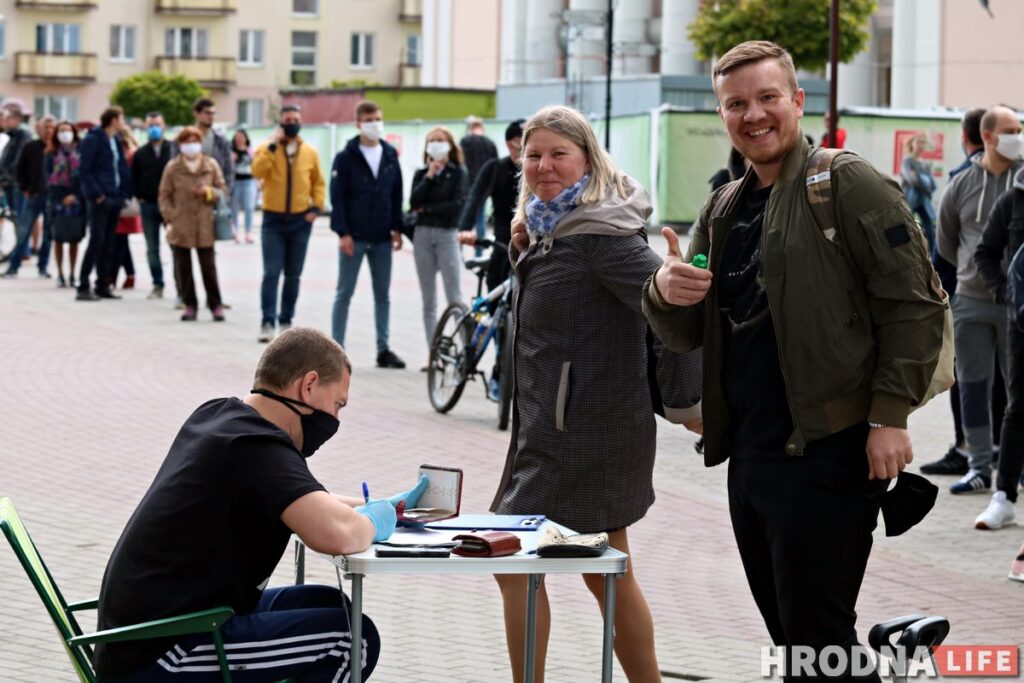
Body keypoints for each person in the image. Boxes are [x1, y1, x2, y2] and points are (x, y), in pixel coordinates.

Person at [643, 41, 945, 681]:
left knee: (813, 639)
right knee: (797, 638)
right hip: (751, 453)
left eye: (767, 98)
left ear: (797, 102)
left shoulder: (847, 183)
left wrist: (890, 416)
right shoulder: (723, 207)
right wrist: (665, 293)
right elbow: (690, 331)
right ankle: (896, 658)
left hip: (828, 447)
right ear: (723, 114)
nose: (754, 115)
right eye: (736, 104)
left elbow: (914, 304)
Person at [93, 327, 428, 681]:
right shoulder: (257, 448)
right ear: (309, 385)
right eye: (337, 404)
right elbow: (337, 535)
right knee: (350, 640)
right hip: (161, 656)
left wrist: (372, 504)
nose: (335, 419)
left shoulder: (221, 418)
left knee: (335, 608)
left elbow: (303, 498)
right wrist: (372, 521)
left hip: (146, 636)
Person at [490, 105, 669, 683]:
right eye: (533, 154)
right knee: (604, 571)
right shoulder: (551, 230)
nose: (543, 165)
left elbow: (670, 308)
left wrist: (689, 405)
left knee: (526, 564)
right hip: (555, 432)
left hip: (589, 435)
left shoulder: (601, 236)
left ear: (588, 160)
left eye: (557, 154)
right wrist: (525, 254)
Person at [937, 106, 1022, 495]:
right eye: (1010, 129)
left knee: (1017, 389)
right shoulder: (961, 185)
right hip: (971, 300)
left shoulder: (1021, 185)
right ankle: (977, 467)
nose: (1017, 136)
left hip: (1016, 306)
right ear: (987, 136)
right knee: (972, 385)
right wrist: (974, 272)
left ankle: (1015, 466)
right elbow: (947, 243)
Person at [921, 107, 987, 476]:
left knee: (969, 377)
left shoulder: (962, 179)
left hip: (970, 295)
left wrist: (939, 297)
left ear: (966, 137)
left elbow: (945, 249)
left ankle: (968, 449)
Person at [329, 100, 406, 369]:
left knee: (382, 294)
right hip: (355, 236)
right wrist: (343, 233)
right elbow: (336, 197)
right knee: (344, 292)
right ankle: (335, 349)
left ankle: (383, 349)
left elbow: (396, 193)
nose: (375, 123)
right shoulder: (346, 156)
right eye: (370, 119)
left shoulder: (389, 154)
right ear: (359, 123)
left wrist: (397, 228)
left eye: (378, 118)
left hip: (382, 235)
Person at [972, 158, 1024, 530]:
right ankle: (1004, 496)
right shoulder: (1013, 199)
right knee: (1017, 408)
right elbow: (984, 252)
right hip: (1021, 324)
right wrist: (1006, 292)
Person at [252, 105, 326, 343]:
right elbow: (258, 171)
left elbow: (318, 182)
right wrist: (273, 145)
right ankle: (267, 321)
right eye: (287, 120)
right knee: (271, 273)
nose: (292, 123)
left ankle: (286, 320)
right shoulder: (267, 148)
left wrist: (316, 208)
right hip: (273, 219)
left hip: (300, 220)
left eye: (295, 119)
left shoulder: (309, 151)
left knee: (293, 275)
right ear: (280, 123)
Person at [158, 127, 228, 322]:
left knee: (209, 267)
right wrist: (170, 216)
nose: (191, 145)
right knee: (183, 267)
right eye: (186, 141)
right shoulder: (173, 167)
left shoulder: (210, 164)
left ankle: (215, 304)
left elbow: (222, 190)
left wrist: (207, 191)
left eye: (194, 141)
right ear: (180, 144)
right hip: (181, 223)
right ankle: (190, 304)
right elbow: (164, 195)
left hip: (205, 223)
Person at [410, 126, 467, 362]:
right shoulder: (422, 173)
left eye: (440, 140)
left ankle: (467, 349)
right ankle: (434, 354)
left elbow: (457, 206)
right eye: (431, 141)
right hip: (422, 235)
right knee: (428, 300)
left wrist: (428, 209)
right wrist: (430, 176)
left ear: (450, 145)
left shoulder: (458, 173)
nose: (435, 144)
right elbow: (414, 201)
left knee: (455, 295)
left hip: (447, 235)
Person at [457, 118, 524, 295]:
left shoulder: (539, 169)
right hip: (503, 234)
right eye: (522, 141)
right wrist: (464, 228)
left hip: (530, 237)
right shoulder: (495, 168)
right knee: (496, 278)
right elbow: (475, 197)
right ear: (510, 145)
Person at [76, 106, 133, 301]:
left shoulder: (115, 141)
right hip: (100, 198)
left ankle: (103, 284)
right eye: (122, 118)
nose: (123, 122)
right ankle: (83, 285)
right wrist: (97, 194)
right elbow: (85, 170)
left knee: (109, 242)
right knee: (96, 241)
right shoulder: (93, 139)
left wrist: (124, 193)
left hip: (115, 196)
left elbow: (121, 168)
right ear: (113, 120)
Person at [2, 114, 55, 278]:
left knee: (48, 234)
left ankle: (43, 266)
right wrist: (25, 188)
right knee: (24, 231)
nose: (48, 130)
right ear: (39, 129)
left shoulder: (56, 149)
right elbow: (19, 169)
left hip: (52, 197)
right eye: (45, 127)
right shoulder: (31, 146)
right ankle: (14, 266)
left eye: (51, 127)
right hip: (34, 194)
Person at [132, 111, 173, 299]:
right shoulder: (140, 153)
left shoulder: (173, 150)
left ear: (164, 126)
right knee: (152, 247)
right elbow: (134, 178)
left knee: (176, 245)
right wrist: (139, 196)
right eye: (150, 125)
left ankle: (181, 286)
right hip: (148, 204)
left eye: (157, 124)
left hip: (170, 205)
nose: (154, 128)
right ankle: (158, 283)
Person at [45, 121, 85, 288]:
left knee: (74, 239)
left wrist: (75, 196)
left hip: (77, 200)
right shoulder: (50, 154)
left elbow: (84, 176)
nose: (65, 133)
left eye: (68, 130)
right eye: (61, 130)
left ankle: (72, 274)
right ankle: (60, 273)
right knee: (59, 239)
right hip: (57, 202)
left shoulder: (81, 152)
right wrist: (61, 199)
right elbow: (47, 178)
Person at [459, 115, 498, 256]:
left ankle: (458, 252)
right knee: (480, 219)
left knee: (462, 219)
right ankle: (479, 253)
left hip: (466, 186)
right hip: (484, 188)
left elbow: (459, 163)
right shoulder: (490, 143)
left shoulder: (465, 141)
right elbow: (495, 166)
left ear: (470, 128)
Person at [178, 97, 234, 195]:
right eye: (207, 113)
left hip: (214, 194)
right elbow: (175, 167)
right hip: (187, 194)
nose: (211, 116)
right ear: (196, 113)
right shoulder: (183, 138)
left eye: (213, 113)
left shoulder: (221, 141)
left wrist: (225, 192)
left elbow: (229, 169)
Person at [0, 108, 30, 263]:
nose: (5, 122)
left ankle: (21, 251)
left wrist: (9, 176)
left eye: (8, 118)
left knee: (20, 218)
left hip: (16, 183)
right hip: (9, 182)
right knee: (14, 217)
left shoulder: (22, 135)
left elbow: (19, 159)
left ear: (17, 119)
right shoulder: (12, 136)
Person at [113, 130, 141, 290]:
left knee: (119, 241)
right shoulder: (126, 152)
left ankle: (115, 275)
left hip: (125, 202)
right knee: (120, 241)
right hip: (120, 201)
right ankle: (128, 274)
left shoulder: (129, 154)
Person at [900, 133, 937, 251]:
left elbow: (932, 184)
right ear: (913, 143)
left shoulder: (925, 163)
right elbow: (911, 179)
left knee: (930, 229)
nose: (920, 145)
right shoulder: (907, 160)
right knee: (905, 227)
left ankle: (933, 255)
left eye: (923, 143)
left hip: (924, 201)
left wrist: (919, 177)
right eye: (918, 142)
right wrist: (923, 182)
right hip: (910, 199)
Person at [230, 129, 256, 243]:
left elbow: (256, 165)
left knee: (249, 207)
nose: (239, 139)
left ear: (246, 138)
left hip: (249, 181)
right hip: (235, 181)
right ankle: (234, 232)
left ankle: (248, 232)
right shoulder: (231, 152)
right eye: (237, 137)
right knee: (234, 208)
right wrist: (231, 159)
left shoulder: (250, 151)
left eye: (242, 137)